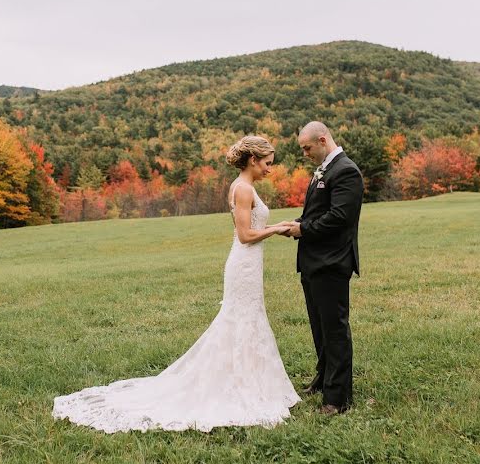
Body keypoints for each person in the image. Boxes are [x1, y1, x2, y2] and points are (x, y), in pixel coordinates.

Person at [52, 135, 300, 432]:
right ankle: (237, 385)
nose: (270, 170)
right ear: (253, 160)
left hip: (249, 264)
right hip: (243, 264)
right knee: (241, 320)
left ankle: (246, 379)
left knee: (247, 321)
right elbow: (246, 235)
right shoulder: (244, 189)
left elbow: (252, 229)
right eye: (267, 163)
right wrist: (275, 231)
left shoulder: (243, 186)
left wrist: (278, 226)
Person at [280, 121, 363, 415]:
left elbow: (339, 217)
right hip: (313, 262)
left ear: (323, 140)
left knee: (335, 329)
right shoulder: (324, 170)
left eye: (307, 148)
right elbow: (317, 213)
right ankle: (324, 378)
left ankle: (337, 399)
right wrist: (297, 223)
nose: (304, 154)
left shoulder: (346, 171)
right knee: (319, 328)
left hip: (332, 262)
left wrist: (302, 229)